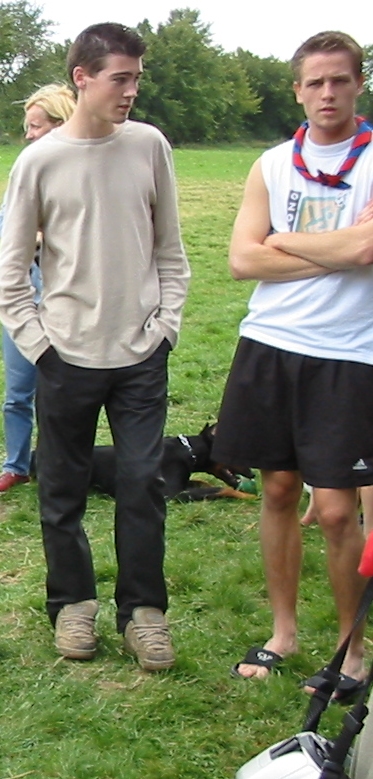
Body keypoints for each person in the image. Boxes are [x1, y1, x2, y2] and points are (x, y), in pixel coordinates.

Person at [0, 22, 190, 672]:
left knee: (142, 485)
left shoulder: (149, 146)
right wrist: (42, 349)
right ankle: (73, 605)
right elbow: (9, 274)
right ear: (82, 77)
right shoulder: (40, 161)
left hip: (140, 356)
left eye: (136, 79)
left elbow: (171, 252)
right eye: (119, 79)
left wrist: (165, 330)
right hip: (66, 358)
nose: (131, 91)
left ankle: (144, 614)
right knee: (61, 492)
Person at [216, 30, 373, 694]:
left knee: (336, 510)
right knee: (278, 491)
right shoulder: (273, 164)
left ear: (358, 84)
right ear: (298, 91)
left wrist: (284, 241)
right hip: (272, 343)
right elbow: (241, 259)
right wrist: (339, 244)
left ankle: (350, 651)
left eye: (339, 80)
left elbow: (366, 253)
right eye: (315, 82)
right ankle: (283, 633)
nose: (327, 92)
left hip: (349, 353)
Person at [0, 83, 78, 496]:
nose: (28, 135)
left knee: (66, 392)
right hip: (24, 298)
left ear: (60, 124)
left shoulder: (82, 171)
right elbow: (4, 223)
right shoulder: (25, 168)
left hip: (71, 301)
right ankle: (16, 465)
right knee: (17, 393)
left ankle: (62, 464)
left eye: (35, 126)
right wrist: (31, 234)